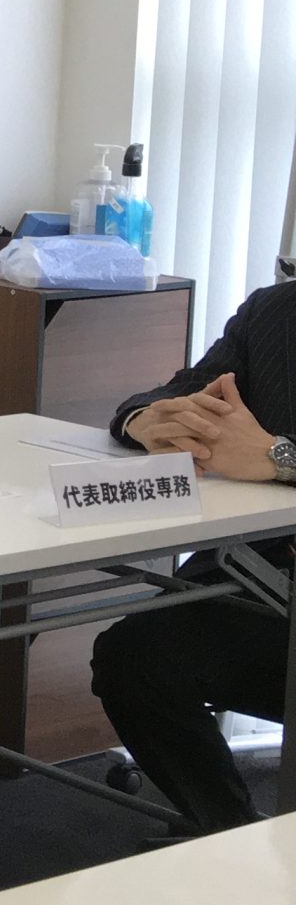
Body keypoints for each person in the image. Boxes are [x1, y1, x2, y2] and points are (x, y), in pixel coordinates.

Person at [90, 278, 296, 832]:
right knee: (135, 658)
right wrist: (146, 421)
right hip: (259, 581)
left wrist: (280, 458)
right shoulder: (276, 311)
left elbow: (269, 454)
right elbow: (183, 393)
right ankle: (229, 834)